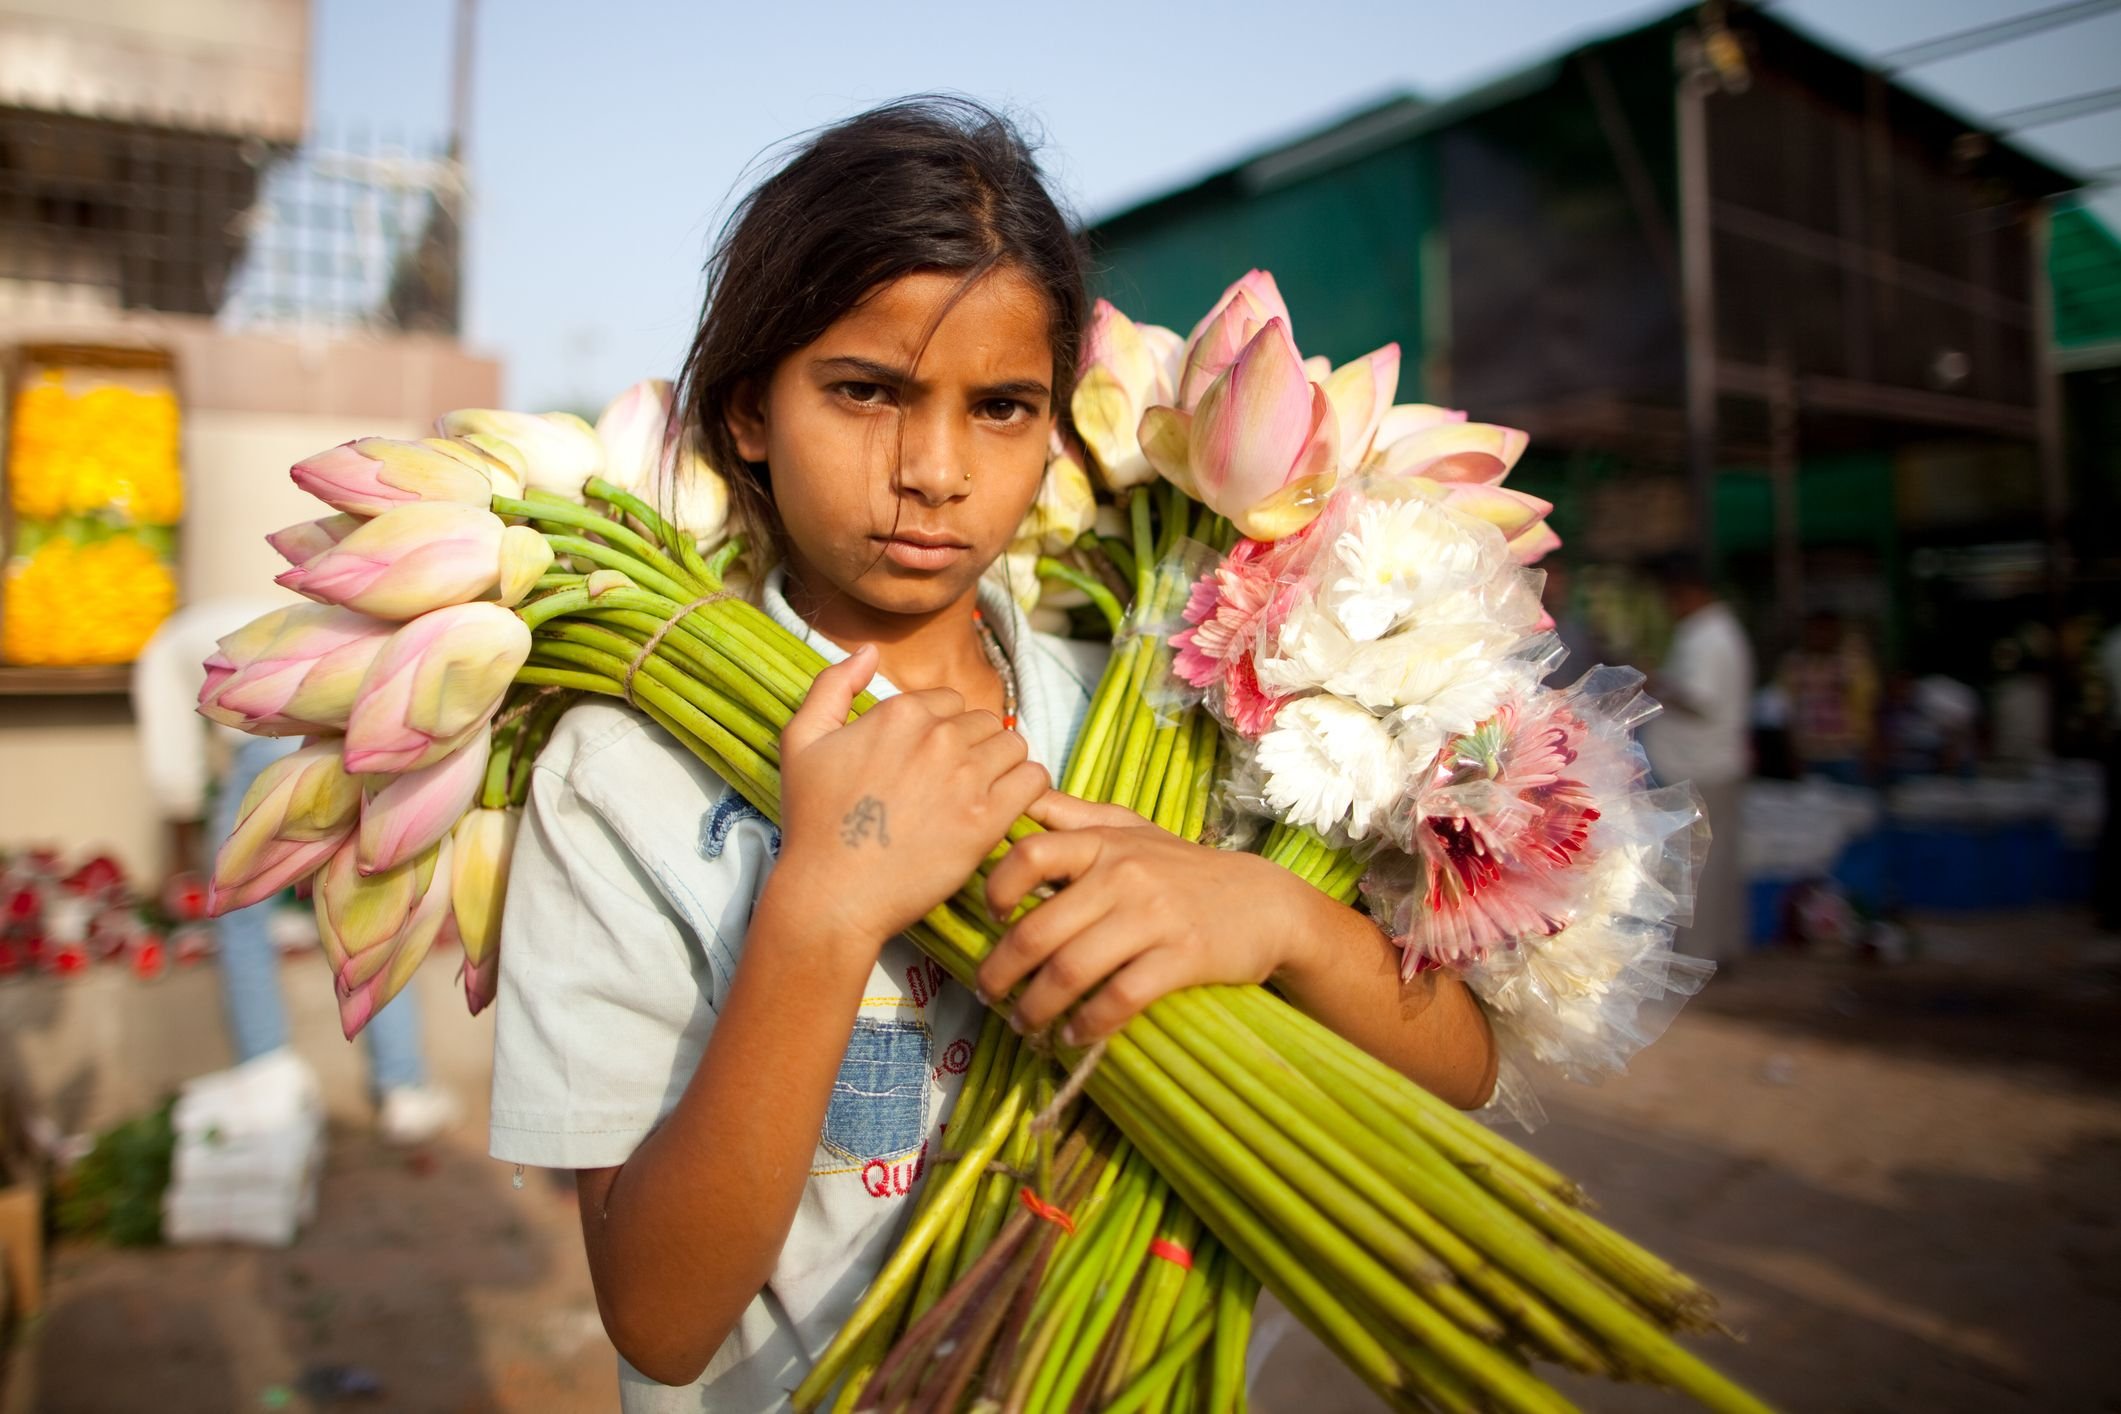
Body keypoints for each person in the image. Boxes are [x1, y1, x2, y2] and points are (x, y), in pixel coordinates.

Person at [487, 98, 1499, 1410]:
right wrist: (824, 904)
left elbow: (1462, 1069)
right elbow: (664, 1321)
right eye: (865, 392)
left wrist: (1281, 917)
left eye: (1003, 407)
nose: (934, 470)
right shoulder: (624, 772)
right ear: (745, 414)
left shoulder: (1166, 710)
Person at [133, 597, 459, 1145]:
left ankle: (266, 1070)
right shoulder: (262, 615)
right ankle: (404, 1087)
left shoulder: (160, 653)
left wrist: (178, 864)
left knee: (239, 919)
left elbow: (175, 776)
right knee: (368, 911)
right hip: (359, 740)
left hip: (274, 748)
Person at [1640, 557, 1754, 966]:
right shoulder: (1715, 632)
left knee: (1697, 864)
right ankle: (1719, 945)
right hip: (1710, 762)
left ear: (1689, 593)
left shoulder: (1708, 636)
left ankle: (1699, 953)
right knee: (1714, 861)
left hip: (1701, 765)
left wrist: (1656, 683)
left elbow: (1700, 697)